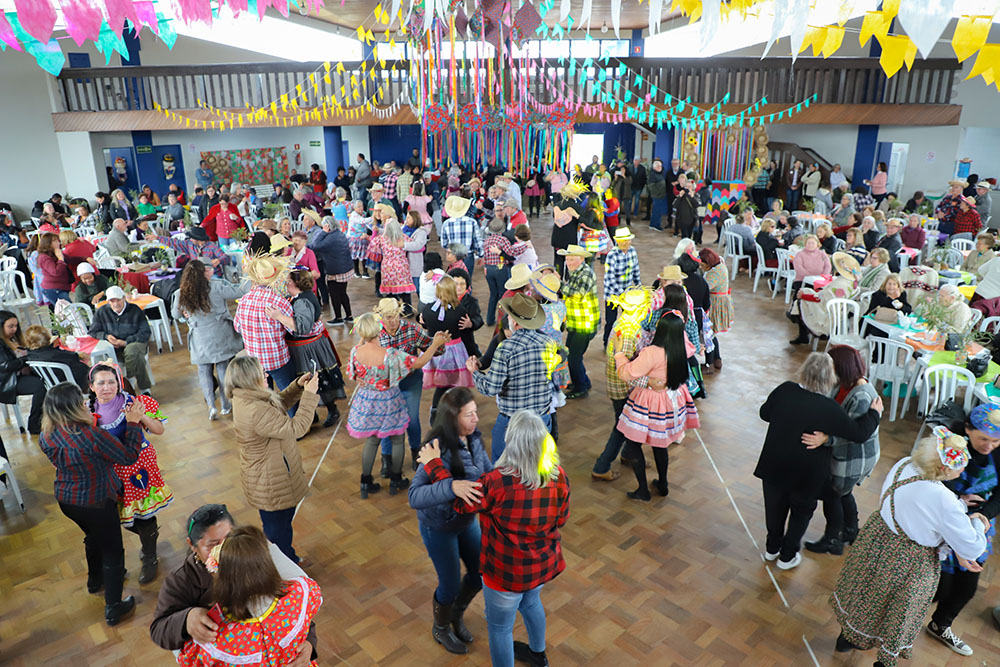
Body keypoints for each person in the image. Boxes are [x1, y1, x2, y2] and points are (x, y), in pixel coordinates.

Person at [416, 410, 569, 667]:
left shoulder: (497, 482)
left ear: (511, 443)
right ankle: (537, 654)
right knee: (531, 603)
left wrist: (434, 465)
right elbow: (561, 519)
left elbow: (460, 503)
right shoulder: (559, 475)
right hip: (542, 565)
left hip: (505, 573)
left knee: (500, 629)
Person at [830, 432, 988, 667]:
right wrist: (977, 522)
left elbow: (919, 501)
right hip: (911, 561)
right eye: (959, 467)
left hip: (878, 541)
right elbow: (972, 546)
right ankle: (884, 662)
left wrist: (958, 502)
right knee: (900, 614)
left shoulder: (906, 463)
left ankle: (847, 639)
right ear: (944, 470)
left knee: (867, 595)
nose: (962, 471)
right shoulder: (944, 500)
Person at [756, 353, 883, 569]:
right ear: (829, 379)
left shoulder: (785, 389)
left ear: (804, 371)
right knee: (800, 514)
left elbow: (764, 413)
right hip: (806, 475)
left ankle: (772, 549)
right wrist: (875, 414)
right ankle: (787, 557)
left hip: (774, 466)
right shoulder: (828, 408)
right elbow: (859, 433)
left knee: (774, 509)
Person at [149, 504, 317, 664]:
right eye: (213, 545)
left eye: (229, 539)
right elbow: (159, 629)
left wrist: (309, 643)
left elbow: (294, 612)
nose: (224, 551)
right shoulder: (181, 580)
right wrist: (186, 619)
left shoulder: (254, 558)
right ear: (192, 545)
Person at [38, 382, 146, 625]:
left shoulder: (46, 435)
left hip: (68, 500)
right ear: (74, 407)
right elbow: (128, 456)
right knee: (113, 552)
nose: (86, 404)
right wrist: (133, 423)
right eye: (81, 401)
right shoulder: (92, 435)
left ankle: (94, 580)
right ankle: (114, 607)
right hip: (97, 501)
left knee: (93, 537)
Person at [407, 388, 491, 655]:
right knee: (450, 584)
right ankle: (441, 627)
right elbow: (414, 496)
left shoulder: (474, 439)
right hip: (439, 527)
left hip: (467, 521)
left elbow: (486, 473)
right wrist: (451, 487)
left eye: (476, 412)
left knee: (480, 574)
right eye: (469, 414)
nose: (476, 419)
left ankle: (456, 613)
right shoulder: (435, 449)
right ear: (453, 418)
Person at [225, 355, 318, 564]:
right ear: (250, 379)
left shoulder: (250, 397)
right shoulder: (254, 409)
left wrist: (298, 387)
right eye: (261, 372)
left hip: (271, 474)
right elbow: (297, 428)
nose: (266, 374)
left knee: (282, 526)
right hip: (269, 481)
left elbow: (277, 407)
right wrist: (310, 396)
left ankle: (288, 559)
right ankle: (283, 572)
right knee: (278, 532)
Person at [347, 312, 447, 498]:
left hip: (367, 401)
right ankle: (395, 479)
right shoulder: (390, 355)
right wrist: (435, 344)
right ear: (378, 330)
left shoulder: (355, 351)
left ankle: (365, 482)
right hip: (388, 400)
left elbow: (353, 375)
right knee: (397, 439)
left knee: (372, 440)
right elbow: (419, 362)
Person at [88, 363, 170, 583]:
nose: (107, 387)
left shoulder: (134, 402)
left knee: (144, 514)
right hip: (111, 471)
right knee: (120, 515)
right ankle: (149, 538)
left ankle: (150, 554)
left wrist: (140, 417)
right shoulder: (88, 409)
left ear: (119, 382)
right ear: (92, 386)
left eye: (112, 381)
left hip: (138, 467)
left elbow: (159, 430)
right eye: (101, 383)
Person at [803, 346, 881, 556]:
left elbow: (851, 434)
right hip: (851, 451)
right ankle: (851, 530)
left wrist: (825, 439)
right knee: (843, 492)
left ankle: (832, 539)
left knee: (832, 494)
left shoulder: (862, 396)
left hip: (855, 455)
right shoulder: (845, 384)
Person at [613, 312, 699, 501]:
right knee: (660, 444)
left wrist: (619, 354)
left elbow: (627, 374)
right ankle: (663, 483)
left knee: (634, 443)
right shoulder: (682, 347)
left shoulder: (652, 352)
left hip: (649, 401)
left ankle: (642, 490)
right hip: (671, 400)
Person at [468, 294, 554, 461]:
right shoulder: (548, 342)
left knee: (503, 467)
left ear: (514, 322)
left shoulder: (506, 348)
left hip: (512, 420)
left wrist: (474, 372)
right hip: (541, 417)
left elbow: (490, 388)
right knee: (536, 464)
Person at [264, 269, 345, 427]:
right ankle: (312, 414)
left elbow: (303, 327)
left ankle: (332, 410)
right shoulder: (300, 297)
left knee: (317, 379)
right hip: (305, 347)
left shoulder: (303, 301)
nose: (285, 282)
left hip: (309, 348)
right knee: (308, 379)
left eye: (288, 280)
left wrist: (278, 316)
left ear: (294, 283)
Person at [174, 259, 246, 420]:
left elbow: (175, 315)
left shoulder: (181, 293)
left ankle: (211, 406)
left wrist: (186, 316)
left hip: (199, 336)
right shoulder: (216, 287)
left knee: (203, 371)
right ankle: (226, 405)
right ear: (203, 273)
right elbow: (239, 292)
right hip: (220, 333)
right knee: (222, 368)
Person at [234, 254, 299, 391]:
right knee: (290, 396)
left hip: (255, 361)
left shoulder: (243, 301)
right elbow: (294, 329)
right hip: (277, 358)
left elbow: (237, 327)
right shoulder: (280, 302)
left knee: (266, 399)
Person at [420, 275, 477, 422]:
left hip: (435, 351)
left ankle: (435, 411)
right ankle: (455, 413)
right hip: (454, 352)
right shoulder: (460, 311)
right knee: (455, 383)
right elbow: (465, 332)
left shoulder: (427, 310)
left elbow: (425, 324)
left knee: (441, 385)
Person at [88, 286, 153, 395]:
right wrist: (106, 336)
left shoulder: (135, 310)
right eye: (112, 301)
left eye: (118, 300)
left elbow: (145, 332)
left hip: (135, 342)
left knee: (132, 352)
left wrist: (125, 342)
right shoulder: (102, 312)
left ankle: (130, 381)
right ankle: (144, 389)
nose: (115, 304)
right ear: (108, 302)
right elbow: (93, 332)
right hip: (113, 347)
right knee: (137, 359)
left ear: (124, 298)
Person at [559, 244, 600, 399]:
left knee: (574, 357)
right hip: (576, 321)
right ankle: (582, 381)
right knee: (573, 354)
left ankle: (581, 387)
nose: (568, 262)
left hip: (585, 324)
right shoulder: (576, 271)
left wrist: (560, 284)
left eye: (571, 259)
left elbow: (577, 294)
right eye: (567, 259)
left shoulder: (586, 273)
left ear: (581, 259)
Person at [309, 216, 354, 325]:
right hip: (345, 268)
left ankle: (338, 318)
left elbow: (315, 245)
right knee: (343, 293)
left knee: (334, 294)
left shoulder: (330, 238)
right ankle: (349, 316)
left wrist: (323, 232)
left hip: (336, 270)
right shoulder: (339, 233)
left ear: (327, 226)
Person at [602, 227, 641, 345]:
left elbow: (635, 270)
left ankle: (625, 341)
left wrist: (639, 286)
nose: (627, 243)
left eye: (629, 240)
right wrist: (622, 294)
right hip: (612, 294)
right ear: (618, 242)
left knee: (628, 319)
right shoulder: (612, 255)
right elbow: (610, 278)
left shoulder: (633, 251)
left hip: (627, 293)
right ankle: (606, 342)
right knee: (611, 320)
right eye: (625, 241)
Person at [148, 226, 230, 277]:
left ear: (199, 239)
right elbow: (174, 243)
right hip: (197, 274)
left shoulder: (212, 246)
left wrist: (218, 260)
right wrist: (158, 238)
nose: (190, 239)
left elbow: (225, 257)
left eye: (192, 237)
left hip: (213, 275)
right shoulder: (190, 244)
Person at [24, 325, 89, 389]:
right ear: (47, 337)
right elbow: (74, 358)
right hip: (72, 385)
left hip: (53, 387)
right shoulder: (56, 355)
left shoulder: (31, 356)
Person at [700, 248, 733, 364]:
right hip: (719, 300)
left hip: (716, 303)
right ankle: (717, 359)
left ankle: (710, 364)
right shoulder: (719, 265)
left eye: (702, 264)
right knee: (711, 333)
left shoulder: (715, 273)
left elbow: (704, 287)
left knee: (708, 334)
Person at [441, 196, 482, 277]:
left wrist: (451, 250)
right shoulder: (472, 222)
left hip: (453, 255)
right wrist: (481, 254)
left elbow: (444, 243)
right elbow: (478, 242)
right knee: (467, 281)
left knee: (454, 281)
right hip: (468, 254)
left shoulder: (446, 223)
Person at [646, 159, 668, 231]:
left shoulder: (660, 174)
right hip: (657, 196)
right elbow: (651, 187)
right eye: (658, 166)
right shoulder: (652, 175)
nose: (660, 167)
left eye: (660, 166)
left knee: (657, 211)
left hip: (661, 195)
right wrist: (657, 193)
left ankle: (653, 224)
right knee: (657, 211)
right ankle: (656, 225)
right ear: (654, 167)